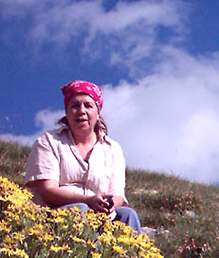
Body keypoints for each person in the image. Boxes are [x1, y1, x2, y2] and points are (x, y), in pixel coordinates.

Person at [24, 80, 141, 231]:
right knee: (79, 209)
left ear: (97, 113)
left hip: (99, 215)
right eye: (75, 106)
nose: (81, 111)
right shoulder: (49, 142)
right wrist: (87, 200)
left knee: (127, 215)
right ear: (67, 112)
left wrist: (108, 204)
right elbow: (47, 191)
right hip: (56, 215)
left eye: (88, 105)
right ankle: (87, 253)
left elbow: (118, 195)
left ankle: (129, 254)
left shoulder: (113, 149)